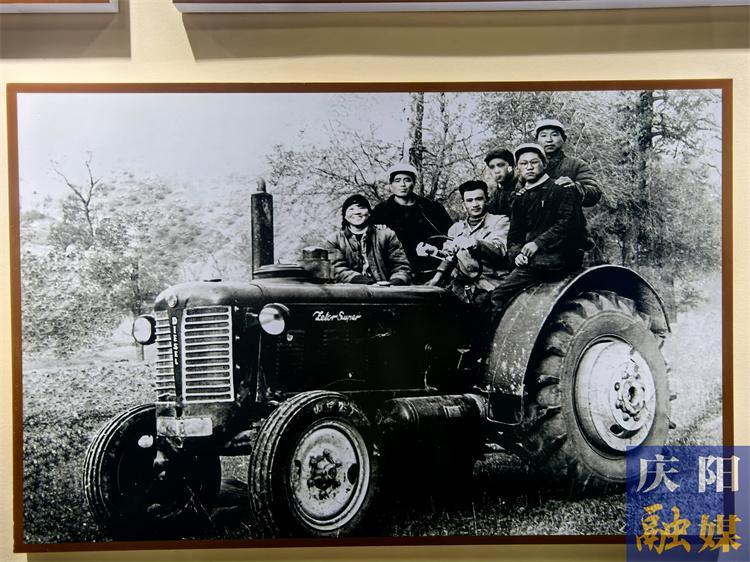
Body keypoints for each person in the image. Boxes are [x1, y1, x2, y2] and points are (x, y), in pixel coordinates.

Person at [489, 143, 586, 314]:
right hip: (531, 261)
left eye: (534, 162)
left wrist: (538, 244)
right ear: (517, 168)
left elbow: (567, 224)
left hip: (557, 258)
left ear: (544, 164)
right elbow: (514, 236)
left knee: (498, 295)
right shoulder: (519, 198)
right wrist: (517, 254)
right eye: (523, 163)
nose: (529, 167)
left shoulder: (561, 189)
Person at [371, 162, 453, 283]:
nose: (402, 185)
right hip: (395, 273)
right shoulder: (380, 211)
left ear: (414, 183)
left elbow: (450, 237)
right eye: (397, 180)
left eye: (407, 180)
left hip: (433, 272)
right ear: (391, 184)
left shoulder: (432, 208)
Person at [443, 180, 509, 305]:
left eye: (479, 199)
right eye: (469, 200)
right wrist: (433, 251)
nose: (475, 204)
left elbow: (501, 249)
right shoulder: (456, 228)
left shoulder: (499, 221)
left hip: (490, 284)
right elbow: (447, 255)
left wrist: (475, 243)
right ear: (463, 204)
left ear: (487, 200)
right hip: (461, 287)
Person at [325, 194, 412, 285]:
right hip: (349, 291)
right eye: (351, 209)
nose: (357, 212)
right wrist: (364, 281)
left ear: (369, 213)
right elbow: (337, 269)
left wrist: (394, 282)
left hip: (385, 289)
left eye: (361, 207)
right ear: (345, 216)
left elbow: (401, 266)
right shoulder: (334, 240)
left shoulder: (387, 235)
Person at [534, 118, 602, 208]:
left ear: (564, 138)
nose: (549, 140)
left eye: (554, 135)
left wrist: (575, 188)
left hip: (568, 216)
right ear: (536, 140)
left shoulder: (577, 165)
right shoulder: (526, 165)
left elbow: (595, 192)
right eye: (543, 135)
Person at [484, 148, 518, 218]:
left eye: (500, 165)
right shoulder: (495, 193)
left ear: (511, 166)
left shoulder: (521, 189)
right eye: (492, 167)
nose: (496, 171)